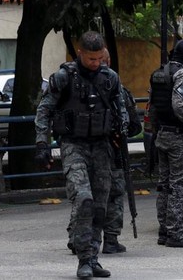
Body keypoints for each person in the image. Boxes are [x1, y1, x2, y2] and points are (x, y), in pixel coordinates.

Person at [34, 31, 128, 279]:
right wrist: (42, 143)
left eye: (99, 59)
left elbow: (122, 108)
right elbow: (44, 110)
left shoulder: (110, 78)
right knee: (84, 199)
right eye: (91, 59)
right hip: (73, 145)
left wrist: (122, 132)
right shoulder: (64, 77)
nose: (96, 64)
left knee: (100, 206)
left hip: (102, 147)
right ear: (80, 53)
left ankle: (93, 258)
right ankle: (84, 259)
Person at [66, 49, 142, 255]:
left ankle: (77, 238)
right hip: (111, 152)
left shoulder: (79, 85)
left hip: (87, 150)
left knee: (84, 196)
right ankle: (110, 239)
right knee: (113, 195)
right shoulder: (117, 89)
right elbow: (134, 125)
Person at [150, 40, 183, 248]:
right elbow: (179, 105)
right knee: (179, 186)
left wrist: (157, 130)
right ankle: (176, 233)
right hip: (180, 137)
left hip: (162, 134)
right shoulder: (182, 75)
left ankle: (164, 230)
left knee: (164, 185)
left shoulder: (158, 74)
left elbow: (153, 107)